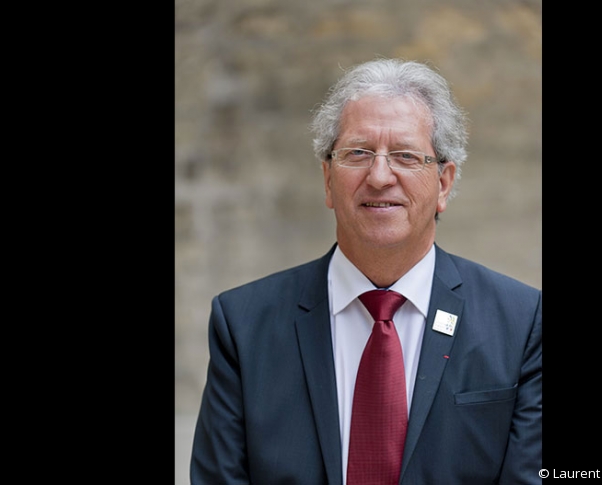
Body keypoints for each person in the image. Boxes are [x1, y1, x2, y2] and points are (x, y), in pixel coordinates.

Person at [190, 58, 542, 484]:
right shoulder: (244, 325)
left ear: (444, 183)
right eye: (358, 153)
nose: (379, 176)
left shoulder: (522, 322)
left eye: (405, 156)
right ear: (327, 179)